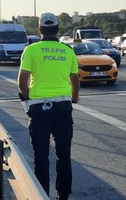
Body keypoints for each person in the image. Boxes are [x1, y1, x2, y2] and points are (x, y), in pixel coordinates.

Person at [17, 12, 80, 200]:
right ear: (58, 30)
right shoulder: (68, 51)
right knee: (64, 156)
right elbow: (75, 81)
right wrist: (74, 99)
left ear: (40, 30)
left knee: (41, 158)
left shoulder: (31, 50)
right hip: (63, 107)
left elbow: (21, 82)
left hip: (39, 109)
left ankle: (42, 195)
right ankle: (63, 196)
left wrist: (29, 99)